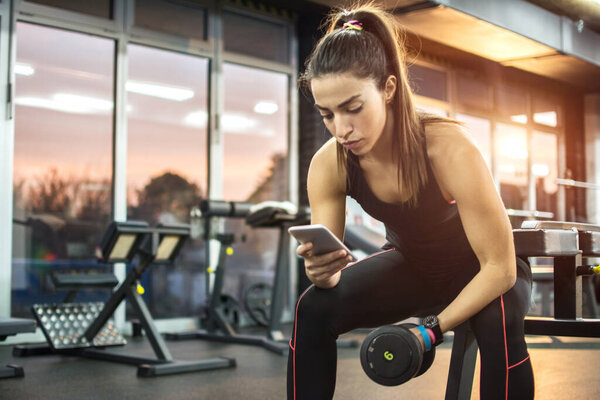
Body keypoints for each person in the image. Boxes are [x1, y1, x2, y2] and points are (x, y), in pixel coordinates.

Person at [288, 3, 534, 400]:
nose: (342, 128)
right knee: (313, 308)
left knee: (497, 319)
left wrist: (430, 330)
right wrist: (321, 273)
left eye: (353, 108)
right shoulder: (329, 164)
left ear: (388, 89)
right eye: (327, 114)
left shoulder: (447, 148)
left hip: (482, 270)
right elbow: (330, 278)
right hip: (414, 268)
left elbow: (500, 267)